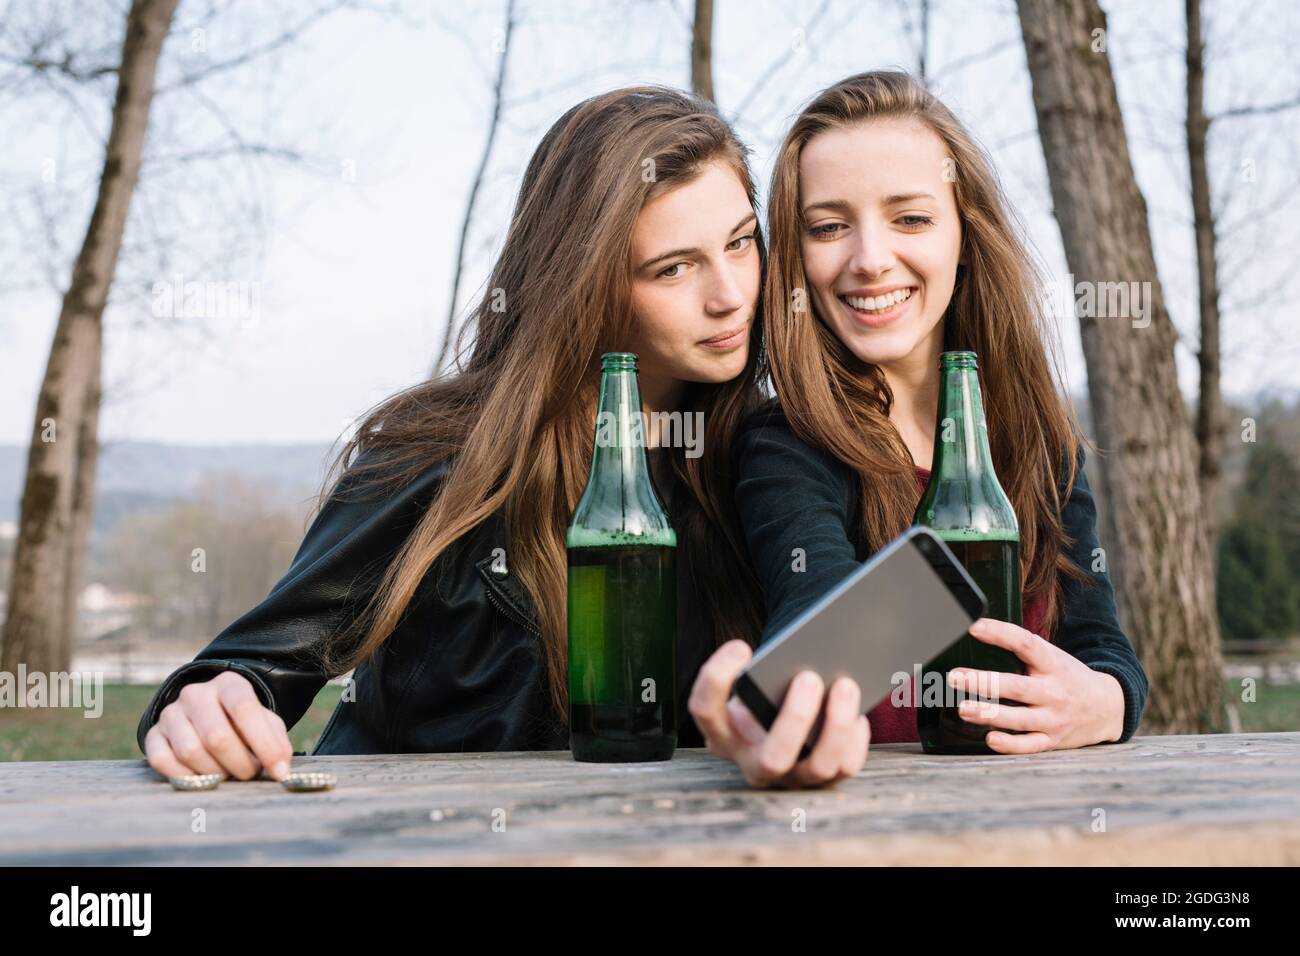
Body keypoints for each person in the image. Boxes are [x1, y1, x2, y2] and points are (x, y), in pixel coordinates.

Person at [137, 86, 799, 782]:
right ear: (586, 282)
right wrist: (212, 702)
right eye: (675, 267)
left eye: (740, 242)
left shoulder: (764, 463)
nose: (731, 294)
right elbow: (256, 663)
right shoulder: (439, 457)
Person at [702, 70, 1147, 764]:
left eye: (910, 218)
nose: (871, 260)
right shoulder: (787, 446)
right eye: (828, 227)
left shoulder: (1040, 439)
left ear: (965, 235)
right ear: (796, 254)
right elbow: (809, 613)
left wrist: (1106, 702)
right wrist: (792, 699)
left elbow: (1102, 650)